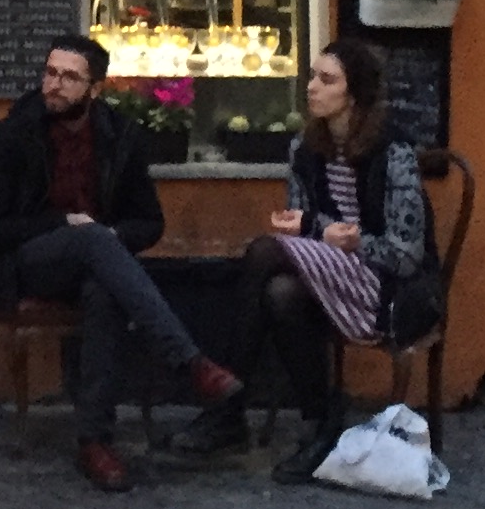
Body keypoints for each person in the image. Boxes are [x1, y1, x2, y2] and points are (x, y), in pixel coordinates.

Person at [0, 34, 243, 493]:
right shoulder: (16, 134)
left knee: (104, 290)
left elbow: (149, 222)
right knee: (92, 241)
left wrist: (110, 239)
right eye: (50, 73)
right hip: (22, 264)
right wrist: (64, 224)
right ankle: (189, 363)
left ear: (95, 88)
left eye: (68, 77)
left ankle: (95, 441)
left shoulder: (120, 137)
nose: (54, 85)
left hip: (94, 264)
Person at [172, 38, 443, 482]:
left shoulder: (393, 151)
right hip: (327, 281)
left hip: (386, 290)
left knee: (264, 251)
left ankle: (228, 409)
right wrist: (313, 232)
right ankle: (319, 424)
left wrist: (338, 237)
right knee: (280, 293)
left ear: (353, 94)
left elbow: (406, 254)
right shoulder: (305, 148)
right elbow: (302, 230)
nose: (312, 87)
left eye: (327, 80)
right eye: (313, 76)